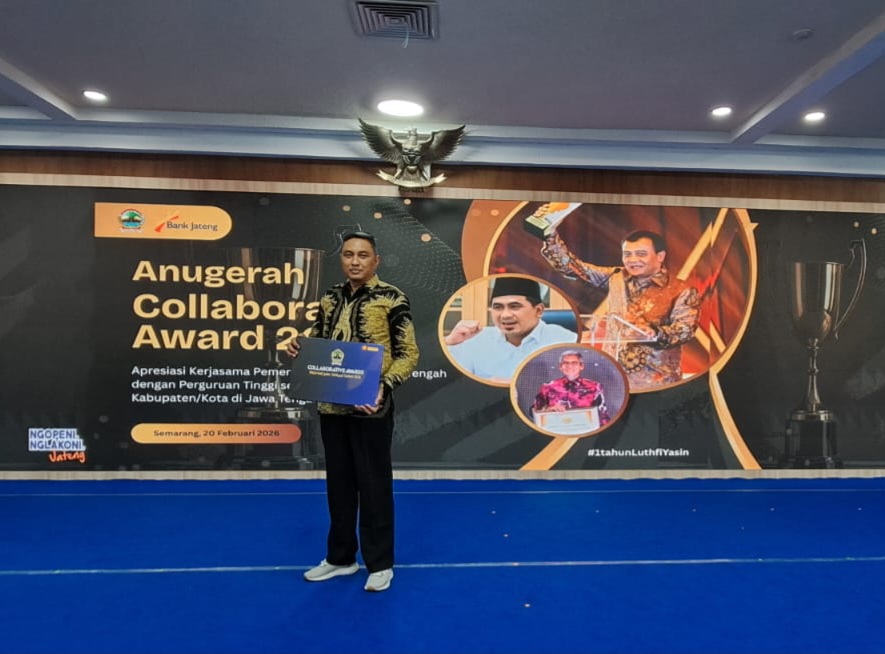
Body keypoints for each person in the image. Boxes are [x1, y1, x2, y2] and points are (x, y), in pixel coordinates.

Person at [286, 231, 419, 593]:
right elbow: (319, 341)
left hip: (370, 406)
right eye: (348, 254)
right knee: (339, 485)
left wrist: (383, 386)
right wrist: (301, 348)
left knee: (373, 485)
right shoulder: (330, 297)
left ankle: (380, 563)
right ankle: (341, 558)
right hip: (331, 404)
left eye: (363, 255)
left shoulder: (392, 298)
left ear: (376, 261)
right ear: (341, 259)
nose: (355, 261)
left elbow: (409, 354)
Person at [541, 228, 700, 389]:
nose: (633, 260)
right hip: (612, 378)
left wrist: (654, 333)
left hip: (656, 383)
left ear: (660, 256)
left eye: (641, 254)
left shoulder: (681, 290)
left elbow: (685, 330)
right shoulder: (616, 277)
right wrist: (550, 237)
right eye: (627, 254)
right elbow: (574, 268)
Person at [444, 276, 577, 382]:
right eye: (498, 307)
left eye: (514, 306)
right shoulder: (475, 339)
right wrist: (449, 341)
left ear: (538, 310)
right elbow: (450, 382)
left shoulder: (566, 340)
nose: (505, 315)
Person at [532, 350, 611, 425]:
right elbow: (534, 412)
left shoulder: (594, 387)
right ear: (560, 366)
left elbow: (603, 416)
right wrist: (548, 410)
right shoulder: (548, 387)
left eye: (574, 363)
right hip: (555, 429)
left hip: (584, 430)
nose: (569, 366)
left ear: (581, 366)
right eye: (565, 363)